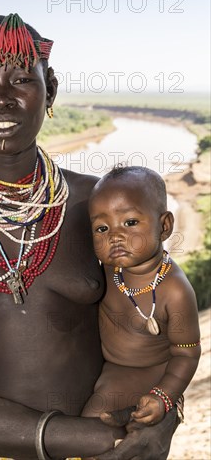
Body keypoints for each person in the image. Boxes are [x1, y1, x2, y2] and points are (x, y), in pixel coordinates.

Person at [0, 14, 180, 460]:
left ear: (49, 88)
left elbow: (164, 330)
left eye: (19, 79)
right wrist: (91, 439)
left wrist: (162, 421)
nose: (0, 98)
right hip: (32, 448)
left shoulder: (100, 205)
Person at [82, 166, 201, 430]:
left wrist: (164, 395)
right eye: (101, 228)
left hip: (145, 371)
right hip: (106, 363)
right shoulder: (110, 270)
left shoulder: (175, 291)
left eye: (130, 222)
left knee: (92, 423)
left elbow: (187, 354)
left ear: (165, 226)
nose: (114, 236)